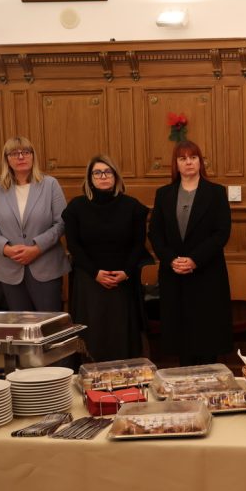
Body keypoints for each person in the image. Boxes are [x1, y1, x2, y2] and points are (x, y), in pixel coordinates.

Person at [148, 140, 233, 366]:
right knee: (181, 342)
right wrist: (171, 260)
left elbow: (221, 233)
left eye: (193, 157)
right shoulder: (164, 194)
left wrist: (195, 259)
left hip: (207, 274)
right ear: (176, 164)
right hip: (174, 276)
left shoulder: (216, 192)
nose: (188, 162)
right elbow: (155, 233)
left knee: (207, 340)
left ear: (200, 161)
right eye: (183, 158)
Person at [63, 155, 151, 361]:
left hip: (123, 279)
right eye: (97, 173)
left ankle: (125, 376)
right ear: (90, 178)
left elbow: (138, 244)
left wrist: (126, 272)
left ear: (115, 176)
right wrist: (95, 273)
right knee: (93, 334)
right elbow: (73, 246)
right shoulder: (76, 207)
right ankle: (91, 375)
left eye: (107, 172)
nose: (103, 176)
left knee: (121, 334)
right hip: (89, 278)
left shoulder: (132, 207)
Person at [0, 137, 71, 312]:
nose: (21, 157)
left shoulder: (50, 185)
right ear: (7, 159)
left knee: (48, 323)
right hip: (10, 268)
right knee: (20, 324)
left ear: (33, 156)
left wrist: (37, 248)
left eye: (25, 152)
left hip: (45, 265)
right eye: (14, 153)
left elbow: (61, 222)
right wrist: (6, 249)